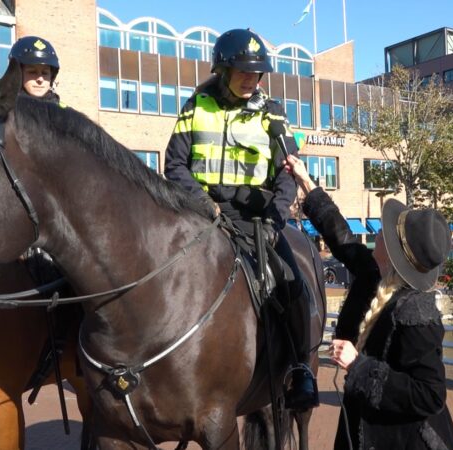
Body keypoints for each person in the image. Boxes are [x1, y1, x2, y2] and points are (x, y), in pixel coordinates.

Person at [164, 29, 318, 410]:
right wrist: (202, 202)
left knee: (292, 280)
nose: (252, 79)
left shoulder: (273, 113)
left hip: (256, 217)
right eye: (244, 72)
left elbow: (288, 172)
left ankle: (300, 369)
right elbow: (174, 164)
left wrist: (275, 218)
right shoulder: (196, 105)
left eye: (258, 73)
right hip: (203, 213)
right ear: (222, 70)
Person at [285, 154, 453, 450]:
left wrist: (359, 364)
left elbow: (430, 395)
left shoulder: (417, 313)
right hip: (363, 422)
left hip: (401, 439)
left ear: (393, 255)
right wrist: (305, 181)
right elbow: (341, 237)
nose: (377, 235)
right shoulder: (372, 273)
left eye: (383, 234)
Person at [9, 35, 63, 105]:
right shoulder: (2, 112)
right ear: (17, 75)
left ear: (52, 77)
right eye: (32, 72)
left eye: (45, 73)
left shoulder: (65, 113)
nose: (40, 79)